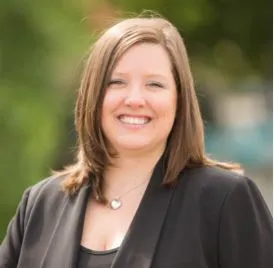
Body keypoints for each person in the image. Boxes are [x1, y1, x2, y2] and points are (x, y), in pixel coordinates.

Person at [0, 14, 272, 268]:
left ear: (179, 100)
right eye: (116, 82)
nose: (134, 99)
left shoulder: (224, 199)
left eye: (154, 84)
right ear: (93, 96)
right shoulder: (41, 204)